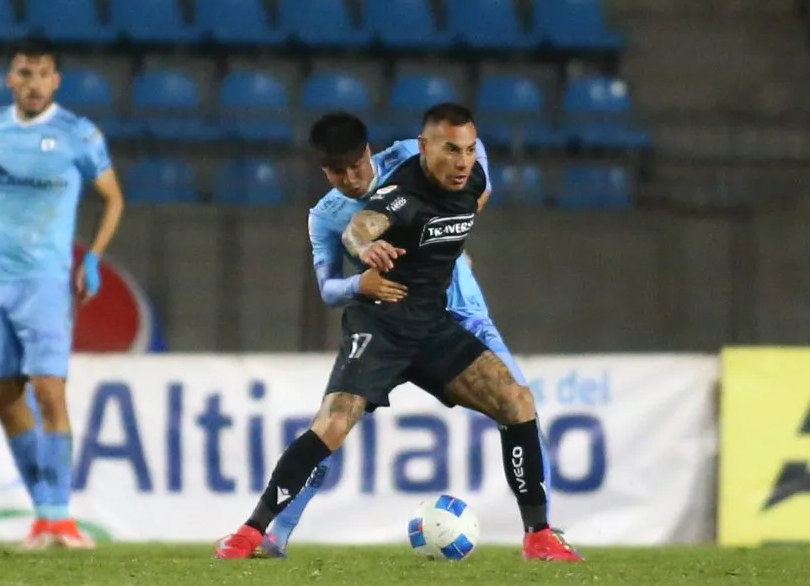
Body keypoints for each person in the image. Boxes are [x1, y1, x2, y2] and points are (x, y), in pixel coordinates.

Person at [216, 103, 581, 562]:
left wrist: (449, 248)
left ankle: (540, 535)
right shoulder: (386, 195)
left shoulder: (462, 173)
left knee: (518, 402)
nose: (462, 159)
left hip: (446, 318)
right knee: (333, 422)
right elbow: (357, 232)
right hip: (383, 321)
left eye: (466, 150)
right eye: (337, 171)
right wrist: (363, 263)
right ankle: (257, 532)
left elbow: (469, 167)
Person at [0, 40, 124, 550]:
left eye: (42, 74)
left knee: (48, 391)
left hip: (45, 281)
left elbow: (113, 198)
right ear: (9, 79)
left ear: (55, 81)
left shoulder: (77, 134)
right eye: (24, 73)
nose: (33, 82)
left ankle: (61, 518)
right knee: (3, 396)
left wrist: (94, 257)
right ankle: (44, 517)